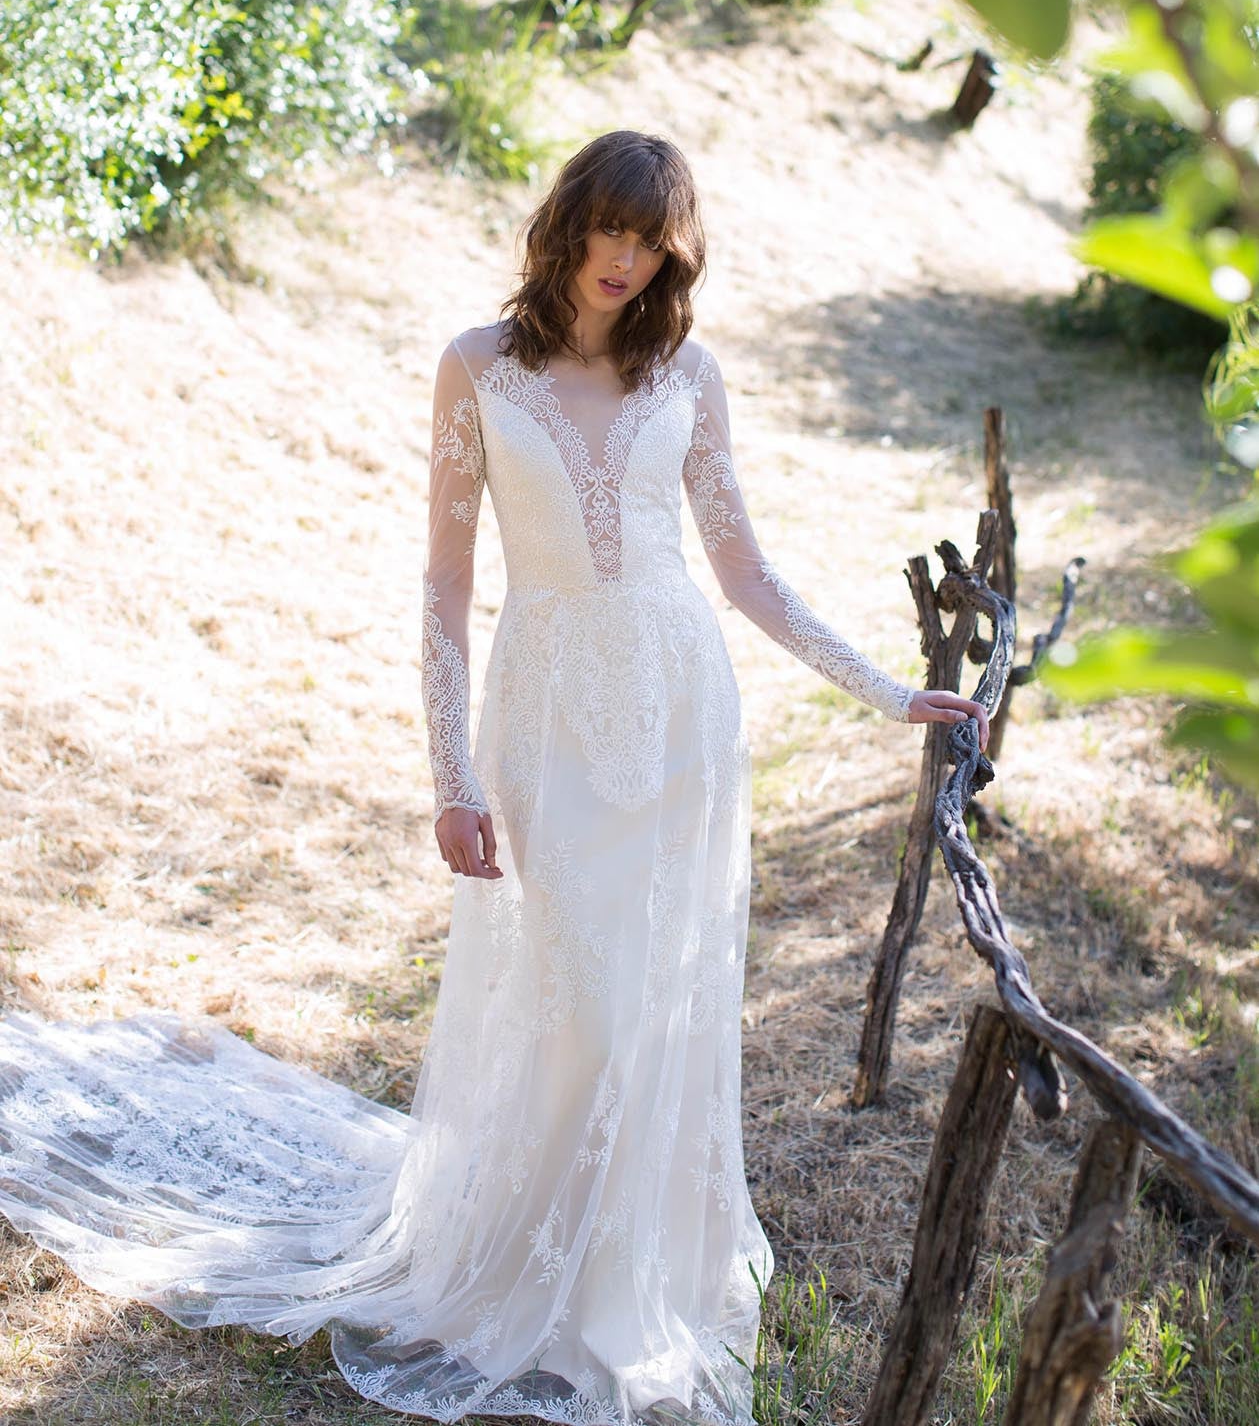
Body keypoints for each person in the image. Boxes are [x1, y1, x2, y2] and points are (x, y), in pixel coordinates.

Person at [0, 129, 987, 1426]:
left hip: (680, 712)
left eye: (653, 242)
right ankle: (519, 1255)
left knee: (651, 1009)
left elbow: (744, 574)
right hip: (546, 714)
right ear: (567, 224)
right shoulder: (477, 367)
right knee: (578, 995)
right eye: (610, 232)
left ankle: (619, 1280)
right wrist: (452, 781)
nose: (626, 262)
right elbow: (446, 591)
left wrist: (884, 688)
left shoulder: (689, 374)